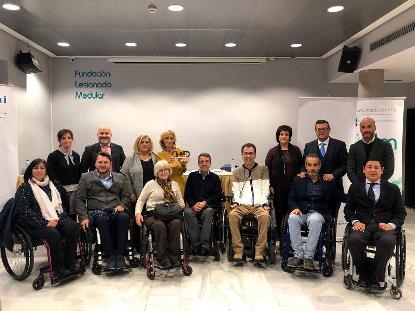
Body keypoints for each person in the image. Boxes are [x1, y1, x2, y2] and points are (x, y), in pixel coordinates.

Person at [344, 159, 406, 289]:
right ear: (363, 169)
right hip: (362, 225)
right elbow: (348, 210)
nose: (373, 170)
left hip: (384, 227)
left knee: (387, 241)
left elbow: (400, 213)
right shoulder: (355, 187)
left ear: (382, 170)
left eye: (376, 167)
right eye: (369, 167)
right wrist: (355, 221)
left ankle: (376, 275)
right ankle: (365, 272)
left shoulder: (393, 189)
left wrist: (391, 225)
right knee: (354, 240)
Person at [15, 159, 80, 277]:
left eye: (42, 168)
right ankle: (58, 268)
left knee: (73, 227)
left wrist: (61, 215)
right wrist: (44, 222)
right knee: (53, 234)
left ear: (46, 170)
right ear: (31, 170)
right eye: (35, 168)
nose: (39, 171)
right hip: (33, 223)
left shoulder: (54, 184)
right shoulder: (25, 187)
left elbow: (65, 198)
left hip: (55, 217)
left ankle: (69, 262)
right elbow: (24, 210)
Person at [76, 152, 131, 269]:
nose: (103, 165)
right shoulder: (86, 177)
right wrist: (83, 217)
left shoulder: (120, 177)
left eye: (105, 162)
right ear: (95, 164)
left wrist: (122, 205)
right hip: (96, 212)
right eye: (100, 162)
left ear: (110, 164)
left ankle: (120, 255)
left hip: (116, 210)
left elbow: (126, 196)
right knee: (102, 219)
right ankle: (110, 256)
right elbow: (79, 199)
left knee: (124, 217)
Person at [287, 154, 339, 270]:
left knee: (315, 220)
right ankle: (298, 256)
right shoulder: (298, 180)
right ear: (305, 166)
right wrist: (295, 208)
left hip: (318, 212)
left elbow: (335, 199)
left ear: (320, 166)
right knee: (292, 218)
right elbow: (291, 198)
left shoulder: (327, 181)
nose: (312, 168)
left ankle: (308, 257)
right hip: (302, 211)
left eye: (315, 165)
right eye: (309, 165)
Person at [135, 160, 185, 269]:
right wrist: (138, 214)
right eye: (160, 170)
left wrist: (177, 207)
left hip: (171, 214)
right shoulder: (150, 184)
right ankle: (161, 257)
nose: (163, 172)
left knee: (176, 223)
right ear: (156, 172)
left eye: (166, 170)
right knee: (160, 225)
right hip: (153, 214)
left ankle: (173, 255)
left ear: (169, 171)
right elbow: (141, 201)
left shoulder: (174, 184)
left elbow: (181, 202)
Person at [228, 143, 270, 262]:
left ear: (255, 154)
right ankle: (238, 251)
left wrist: (265, 204)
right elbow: (235, 191)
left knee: (266, 217)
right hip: (242, 205)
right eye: (246, 153)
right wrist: (236, 202)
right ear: (242, 155)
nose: (248, 156)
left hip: (258, 204)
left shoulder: (263, 169)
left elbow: (265, 188)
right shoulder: (237, 172)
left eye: (251, 153)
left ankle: (259, 251)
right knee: (231, 216)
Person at [302, 120, 348, 215]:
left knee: (332, 218)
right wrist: (302, 172)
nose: (321, 131)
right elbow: (304, 165)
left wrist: (334, 175)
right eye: (318, 129)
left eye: (324, 129)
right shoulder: (309, 146)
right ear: (315, 131)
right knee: (315, 217)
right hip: (313, 190)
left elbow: (345, 164)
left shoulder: (339, 145)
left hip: (334, 189)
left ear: (329, 130)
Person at [265, 125, 302, 241]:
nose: (284, 136)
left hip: (294, 187)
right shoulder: (272, 152)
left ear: (290, 136)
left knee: (292, 212)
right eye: (281, 134)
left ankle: (292, 240)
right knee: (280, 212)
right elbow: (267, 170)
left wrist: (301, 172)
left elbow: (302, 165)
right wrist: (270, 185)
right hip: (278, 187)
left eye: (286, 134)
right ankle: (282, 240)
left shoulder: (296, 150)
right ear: (278, 136)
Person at [184, 153, 222, 256]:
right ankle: (196, 244)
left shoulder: (215, 178)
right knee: (187, 212)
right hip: (194, 207)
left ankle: (205, 245)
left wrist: (205, 203)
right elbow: (188, 194)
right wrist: (193, 205)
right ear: (198, 163)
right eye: (202, 161)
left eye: (206, 161)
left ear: (210, 163)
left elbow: (218, 196)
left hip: (208, 207)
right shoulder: (192, 176)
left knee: (209, 212)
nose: (204, 163)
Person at [347, 117, 394, 184]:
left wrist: (376, 183)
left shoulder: (385, 146)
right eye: (363, 127)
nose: (366, 130)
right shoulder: (354, 147)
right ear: (360, 130)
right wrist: (359, 185)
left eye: (369, 126)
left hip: (380, 187)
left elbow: (389, 169)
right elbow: (350, 170)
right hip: (359, 188)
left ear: (374, 127)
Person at [47, 129, 81, 219]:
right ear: (59, 141)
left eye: (69, 138)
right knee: (63, 216)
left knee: (74, 215)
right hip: (61, 192)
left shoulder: (76, 156)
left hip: (75, 192)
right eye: (63, 138)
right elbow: (49, 175)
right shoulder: (53, 156)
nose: (67, 140)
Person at [121, 134, 159, 204]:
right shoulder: (130, 159)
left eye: (147, 142)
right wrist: (131, 193)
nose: (144, 144)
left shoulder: (155, 157)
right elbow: (125, 176)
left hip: (153, 194)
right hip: (136, 195)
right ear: (137, 144)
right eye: (142, 142)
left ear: (150, 144)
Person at [157, 130, 188, 195]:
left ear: (174, 140)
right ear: (162, 140)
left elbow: (183, 171)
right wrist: (166, 163)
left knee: (181, 204)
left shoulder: (181, 151)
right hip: (165, 184)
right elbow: (158, 172)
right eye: (166, 138)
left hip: (180, 183)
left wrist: (183, 165)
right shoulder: (158, 155)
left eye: (171, 138)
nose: (169, 140)